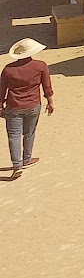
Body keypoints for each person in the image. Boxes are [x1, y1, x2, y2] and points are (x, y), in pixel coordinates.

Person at [2, 37, 54, 177]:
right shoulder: (41, 66)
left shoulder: (8, 69)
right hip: (33, 105)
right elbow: (47, 86)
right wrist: (50, 102)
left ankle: (16, 165)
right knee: (29, 133)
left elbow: (2, 90)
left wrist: (0, 105)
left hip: (13, 106)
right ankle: (27, 159)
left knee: (14, 135)